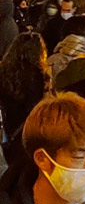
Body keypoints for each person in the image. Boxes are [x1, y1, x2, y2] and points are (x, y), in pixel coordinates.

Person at [0, 32, 50, 164]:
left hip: (7, 127)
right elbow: (33, 106)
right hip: (23, 130)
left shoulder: (4, 71)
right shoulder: (36, 76)